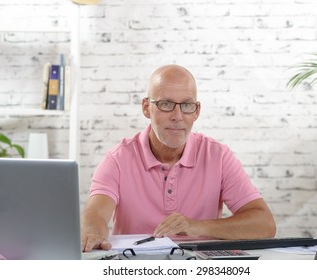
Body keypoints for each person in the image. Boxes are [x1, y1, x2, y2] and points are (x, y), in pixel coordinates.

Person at [81, 64, 276, 252]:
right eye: (166, 104)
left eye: (187, 105)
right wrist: (92, 232)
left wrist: (196, 227)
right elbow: (95, 215)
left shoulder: (218, 156)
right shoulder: (118, 159)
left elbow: (264, 224)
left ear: (197, 111)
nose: (177, 116)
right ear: (146, 108)